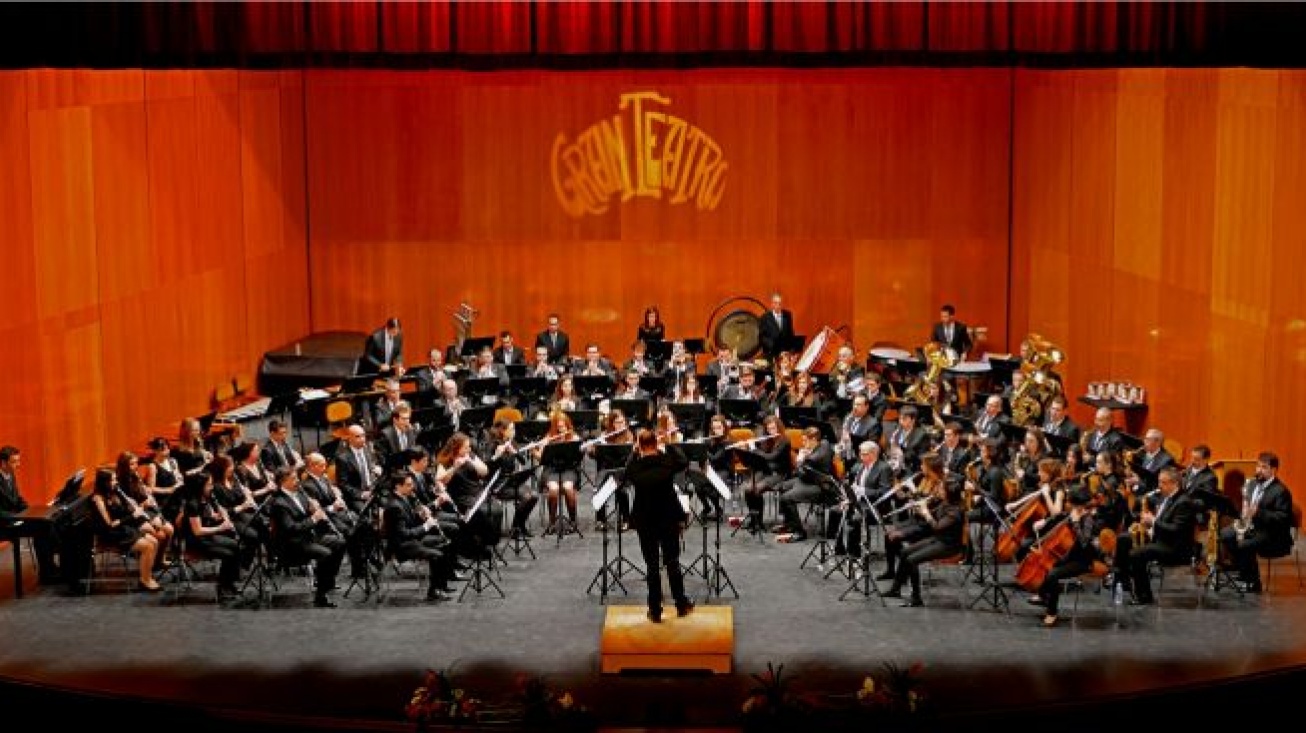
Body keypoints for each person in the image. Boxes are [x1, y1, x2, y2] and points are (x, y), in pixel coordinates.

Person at [625, 429, 693, 623]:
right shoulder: (667, 462)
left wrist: (633, 451)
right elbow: (683, 462)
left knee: (652, 566)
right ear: (656, 443)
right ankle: (681, 604)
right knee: (672, 562)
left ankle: (655, 610)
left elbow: (626, 470)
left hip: (645, 520)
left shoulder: (636, 467)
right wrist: (670, 443)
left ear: (639, 445)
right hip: (668, 517)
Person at [883, 472, 965, 608]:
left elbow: (937, 526)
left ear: (948, 493)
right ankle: (895, 589)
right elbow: (932, 515)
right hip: (938, 539)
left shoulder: (955, 511)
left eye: (941, 489)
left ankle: (916, 598)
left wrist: (926, 513)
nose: (939, 490)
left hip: (948, 545)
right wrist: (919, 507)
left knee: (912, 559)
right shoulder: (945, 503)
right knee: (904, 553)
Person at [268, 467, 345, 608]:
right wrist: (314, 519)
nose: (298, 481)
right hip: (292, 543)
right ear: (283, 482)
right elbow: (291, 529)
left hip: (307, 537)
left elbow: (307, 516)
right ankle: (321, 595)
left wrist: (314, 510)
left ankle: (327, 581)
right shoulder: (279, 503)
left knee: (339, 542)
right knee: (326, 554)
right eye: (294, 479)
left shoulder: (300, 494)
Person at [1219, 452, 1294, 594]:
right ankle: (1243, 571)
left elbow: (1283, 519)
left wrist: (1259, 513)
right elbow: (1246, 507)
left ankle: (1253, 582)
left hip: (1271, 532)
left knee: (1244, 544)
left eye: (1264, 467)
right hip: (1252, 526)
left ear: (1273, 470)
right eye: (1258, 466)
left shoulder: (1281, 491)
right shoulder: (1252, 484)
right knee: (1225, 534)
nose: (1258, 470)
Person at [1032, 487, 1102, 627]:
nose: (1067, 505)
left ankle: (1052, 612)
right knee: (1048, 565)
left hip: (1083, 561)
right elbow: (1059, 517)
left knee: (1053, 574)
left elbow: (1083, 543)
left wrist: (1076, 523)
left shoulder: (1088, 519)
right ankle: (1044, 596)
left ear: (1078, 504)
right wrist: (1044, 522)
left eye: (1070, 503)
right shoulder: (1074, 512)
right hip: (1070, 556)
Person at [383, 471, 457, 602]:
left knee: (445, 543)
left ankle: (441, 585)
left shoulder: (405, 497)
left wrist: (424, 514)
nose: (412, 487)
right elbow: (404, 534)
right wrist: (426, 526)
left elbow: (411, 521)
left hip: (411, 540)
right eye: (408, 485)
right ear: (397, 486)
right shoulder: (394, 506)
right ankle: (433, 592)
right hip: (401, 546)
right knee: (437, 555)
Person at [1127, 467, 1196, 604]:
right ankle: (1122, 579)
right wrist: (1148, 525)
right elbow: (1162, 524)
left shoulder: (1183, 502)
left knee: (1136, 554)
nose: (1159, 486)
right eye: (1159, 482)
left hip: (1175, 548)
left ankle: (1144, 596)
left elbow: (1176, 530)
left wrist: (1153, 521)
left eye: (1163, 483)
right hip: (1162, 540)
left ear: (1174, 483)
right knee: (1124, 540)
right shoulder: (1167, 498)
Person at [89, 468, 161, 591]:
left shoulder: (113, 492)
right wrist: (132, 516)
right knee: (148, 546)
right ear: (104, 482)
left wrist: (134, 507)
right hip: (110, 533)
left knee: (154, 541)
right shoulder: (98, 499)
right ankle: (145, 580)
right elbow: (109, 524)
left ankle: (146, 575)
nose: (116, 482)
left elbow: (120, 514)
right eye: (112, 480)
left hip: (122, 528)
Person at [0, 445, 62, 584]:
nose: (18, 465)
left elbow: (17, 499)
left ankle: (50, 568)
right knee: (42, 528)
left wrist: (31, 511)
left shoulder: (10, 475)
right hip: (4, 524)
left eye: (18, 461)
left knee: (46, 521)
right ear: (3, 463)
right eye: (14, 462)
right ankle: (48, 572)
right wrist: (19, 516)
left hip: (15, 519)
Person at [181, 472, 241, 601]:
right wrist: (220, 528)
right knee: (228, 554)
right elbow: (197, 531)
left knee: (236, 545)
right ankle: (222, 587)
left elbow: (209, 516)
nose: (212, 487)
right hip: (197, 542)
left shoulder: (206, 499)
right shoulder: (193, 504)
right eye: (209, 484)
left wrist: (220, 515)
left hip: (208, 537)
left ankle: (229, 583)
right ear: (200, 486)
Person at [776, 426, 836, 542]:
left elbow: (799, 473)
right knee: (782, 487)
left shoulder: (813, 458)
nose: (802, 443)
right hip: (809, 480)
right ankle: (790, 524)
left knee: (786, 498)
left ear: (814, 439)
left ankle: (799, 532)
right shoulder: (825, 443)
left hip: (820, 486)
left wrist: (800, 459)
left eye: (805, 440)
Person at [758, 292, 795, 359]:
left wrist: (792, 350)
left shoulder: (787, 315)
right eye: (775, 303)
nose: (778, 305)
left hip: (785, 354)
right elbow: (762, 337)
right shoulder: (764, 317)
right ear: (772, 304)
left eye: (780, 303)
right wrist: (775, 347)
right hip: (770, 353)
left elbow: (791, 333)